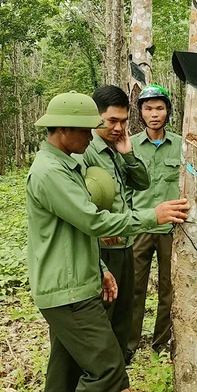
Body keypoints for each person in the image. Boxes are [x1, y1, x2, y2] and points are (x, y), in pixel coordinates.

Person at [27, 91, 188, 392]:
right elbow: (93, 221)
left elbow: (72, 229)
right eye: (86, 130)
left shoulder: (63, 164)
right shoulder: (51, 171)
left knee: (65, 374)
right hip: (66, 292)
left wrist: (99, 269)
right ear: (62, 130)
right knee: (108, 371)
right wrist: (153, 215)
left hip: (76, 280)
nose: (92, 135)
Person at [79, 85, 149, 360]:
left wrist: (127, 153)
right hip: (100, 246)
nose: (119, 127)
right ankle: (101, 374)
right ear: (97, 118)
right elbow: (81, 206)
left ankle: (120, 376)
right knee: (102, 313)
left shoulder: (117, 148)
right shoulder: (84, 152)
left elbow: (142, 183)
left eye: (123, 121)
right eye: (112, 121)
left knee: (124, 312)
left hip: (125, 242)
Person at [127, 84, 182, 360]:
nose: (154, 114)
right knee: (134, 289)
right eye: (148, 108)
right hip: (139, 227)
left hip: (172, 230)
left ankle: (161, 344)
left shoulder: (182, 145)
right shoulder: (129, 145)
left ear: (168, 111)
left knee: (168, 289)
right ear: (140, 113)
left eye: (159, 108)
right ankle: (129, 345)